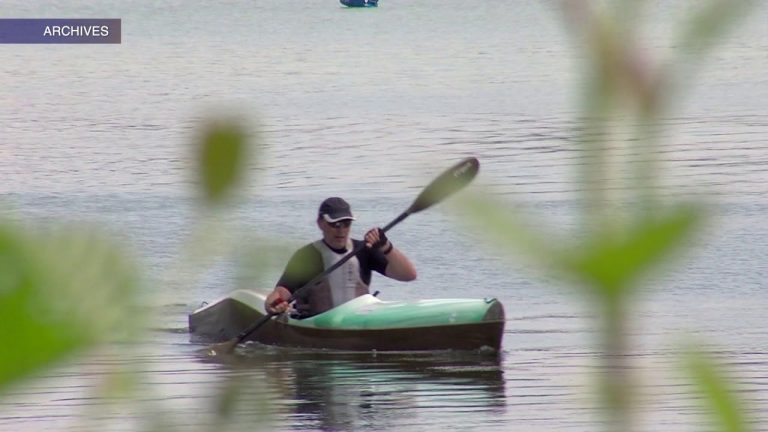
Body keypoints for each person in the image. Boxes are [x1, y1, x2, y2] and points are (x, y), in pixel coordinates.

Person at [265, 197, 417, 318]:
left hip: (359, 320)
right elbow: (280, 293)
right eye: (335, 224)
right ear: (320, 223)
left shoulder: (364, 250)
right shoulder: (307, 256)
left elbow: (409, 275)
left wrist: (386, 247)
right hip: (318, 324)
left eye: (346, 224)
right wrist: (275, 304)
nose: (341, 230)